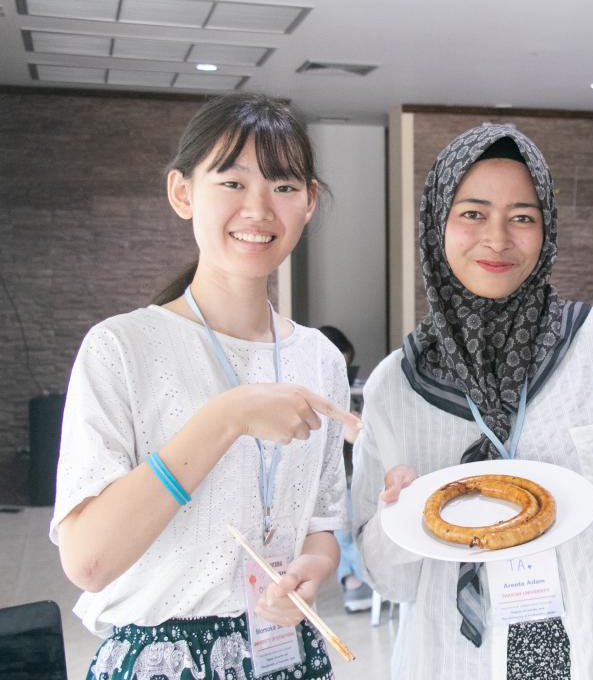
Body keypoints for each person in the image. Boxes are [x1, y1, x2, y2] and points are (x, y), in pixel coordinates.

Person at [351, 125, 593, 679]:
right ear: (437, 224)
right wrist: (402, 514)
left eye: (522, 217)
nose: (498, 239)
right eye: (473, 214)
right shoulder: (398, 386)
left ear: (547, 228)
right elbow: (387, 581)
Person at [51, 93, 361, 680]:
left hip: (287, 654)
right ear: (182, 193)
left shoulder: (319, 358)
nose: (259, 208)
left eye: (284, 186)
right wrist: (228, 417)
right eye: (232, 182)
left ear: (309, 202)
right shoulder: (121, 347)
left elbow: (321, 525)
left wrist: (312, 571)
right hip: (162, 660)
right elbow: (89, 562)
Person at [318, 324, 375, 613]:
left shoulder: (341, 394)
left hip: (348, 472)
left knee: (352, 524)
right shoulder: (308, 392)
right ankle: (354, 582)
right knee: (341, 529)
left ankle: (358, 581)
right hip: (323, 477)